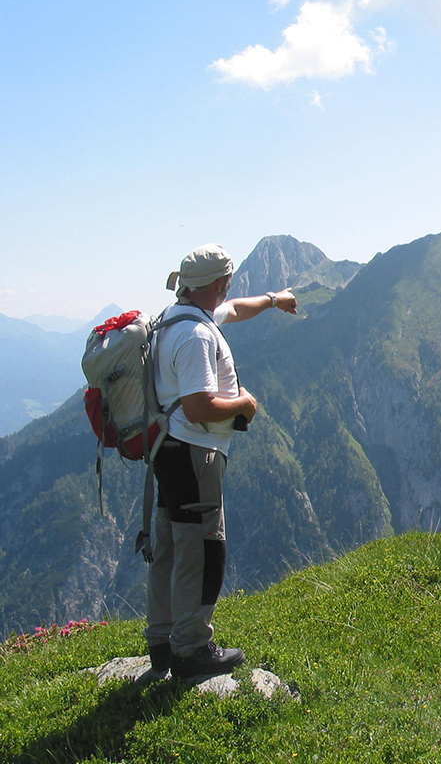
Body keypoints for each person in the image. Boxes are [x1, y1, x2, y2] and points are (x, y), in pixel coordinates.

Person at [144, 243, 297, 678]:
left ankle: (162, 642)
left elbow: (233, 310)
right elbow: (199, 407)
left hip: (169, 452)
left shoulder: (177, 317)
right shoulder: (196, 336)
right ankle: (192, 649)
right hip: (196, 454)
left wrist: (273, 300)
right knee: (203, 549)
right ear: (218, 282)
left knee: (170, 546)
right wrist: (244, 404)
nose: (230, 287)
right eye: (228, 280)